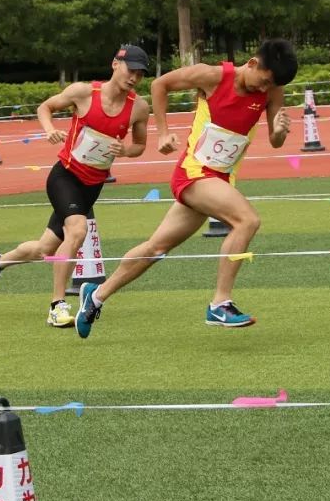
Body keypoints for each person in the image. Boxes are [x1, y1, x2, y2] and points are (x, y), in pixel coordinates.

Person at [74, 39, 298, 339]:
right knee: (248, 220)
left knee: (156, 248)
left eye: (270, 86)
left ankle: (96, 295)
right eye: (264, 81)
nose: (263, 89)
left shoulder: (272, 90)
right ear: (254, 64)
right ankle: (220, 303)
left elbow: (275, 140)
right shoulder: (212, 76)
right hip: (194, 174)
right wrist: (163, 132)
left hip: (219, 180)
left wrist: (280, 131)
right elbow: (160, 85)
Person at [0, 44, 151, 327]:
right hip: (65, 176)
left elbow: (140, 146)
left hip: (92, 186)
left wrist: (125, 150)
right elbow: (45, 107)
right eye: (130, 69)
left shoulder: (139, 108)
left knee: (43, 249)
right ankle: (57, 306)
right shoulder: (84, 93)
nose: (134, 77)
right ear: (115, 64)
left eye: (140, 74)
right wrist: (49, 130)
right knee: (78, 230)